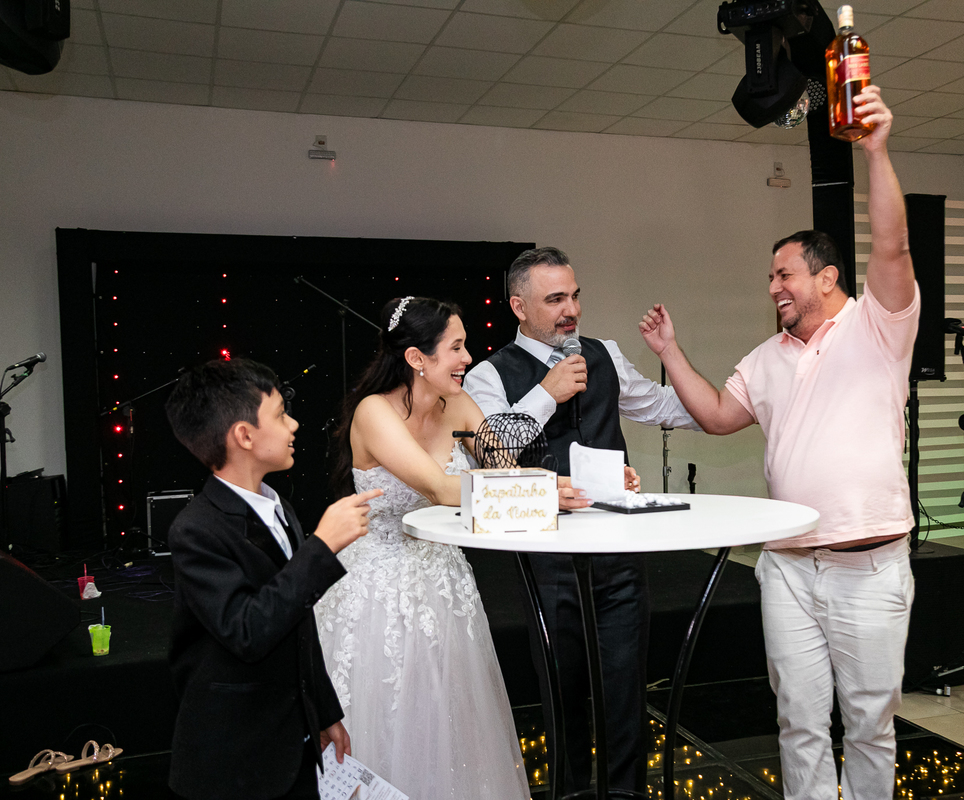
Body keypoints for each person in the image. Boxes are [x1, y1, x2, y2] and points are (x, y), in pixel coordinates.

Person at [638, 85, 918, 800]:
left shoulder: (878, 327)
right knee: (797, 721)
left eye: (784, 274)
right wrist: (670, 352)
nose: (773, 288)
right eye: (770, 277)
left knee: (869, 724)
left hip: (867, 567)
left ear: (827, 276)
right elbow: (717, 416)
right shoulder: (766, 358)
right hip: (787, 569)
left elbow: (892, 245)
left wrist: (876, 150)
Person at [463, 248, 699, 795]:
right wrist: (547, 394)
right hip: (546, 558)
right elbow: (491, 456)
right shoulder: (488, 376)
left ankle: (626, 792)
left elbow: (667, 406)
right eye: (555, 299)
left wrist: (746, 401)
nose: (571, 310)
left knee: (625, 691)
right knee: (562, 692)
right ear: (518, 306)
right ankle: (569, 792)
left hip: (619, 550)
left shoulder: (604, 354)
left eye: (574, 296)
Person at [317, 296, 552, 800]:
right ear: (416, 358)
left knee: (449, 725)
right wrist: (548, 491)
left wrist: (571, 488)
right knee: (387, 716)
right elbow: (441, 488)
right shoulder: (374, 412)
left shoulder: (460, 405)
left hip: (444, 586)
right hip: (379, 588)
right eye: (456, 347)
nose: (468, 358)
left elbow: (506, 475)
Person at [164, 358, 381, 800]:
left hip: (292, 741)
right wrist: (321, 547)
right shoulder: (196, 530)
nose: (294, 425)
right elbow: (248, 630)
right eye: (281, 414)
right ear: (244, 436)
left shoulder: (276, 504)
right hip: (235, 759)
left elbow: (298, 622)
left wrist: (322, 711)